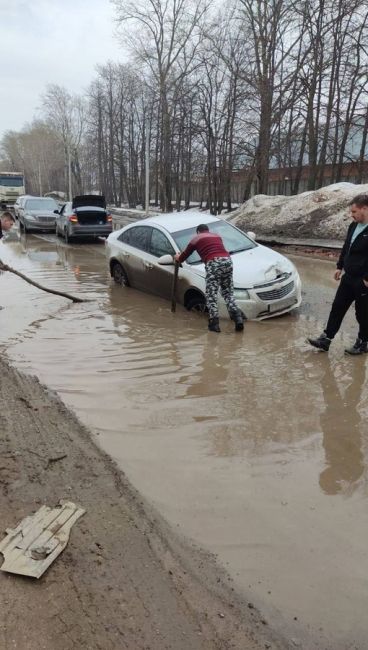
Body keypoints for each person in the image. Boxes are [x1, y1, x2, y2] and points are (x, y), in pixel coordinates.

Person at [308, 193, 368, 355]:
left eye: (354, 211)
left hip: (363, 281)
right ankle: (326, 339)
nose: (352, 215)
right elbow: (346, 247)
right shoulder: (353, 226)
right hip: (348, 277)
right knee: (337, 307)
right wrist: (339, 266)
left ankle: (362, 342)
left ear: (365, 208)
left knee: (363, 314)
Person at [174, 223, 244, 332]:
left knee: (211, 295)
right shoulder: (217, 236)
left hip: (213, 263)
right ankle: (238, 318)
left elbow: (183, 257)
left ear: (198, 232)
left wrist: (177, 257)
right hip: (227, 261)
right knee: (228, 293)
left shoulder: (195, 239)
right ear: (208, 230)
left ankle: (214, 324)